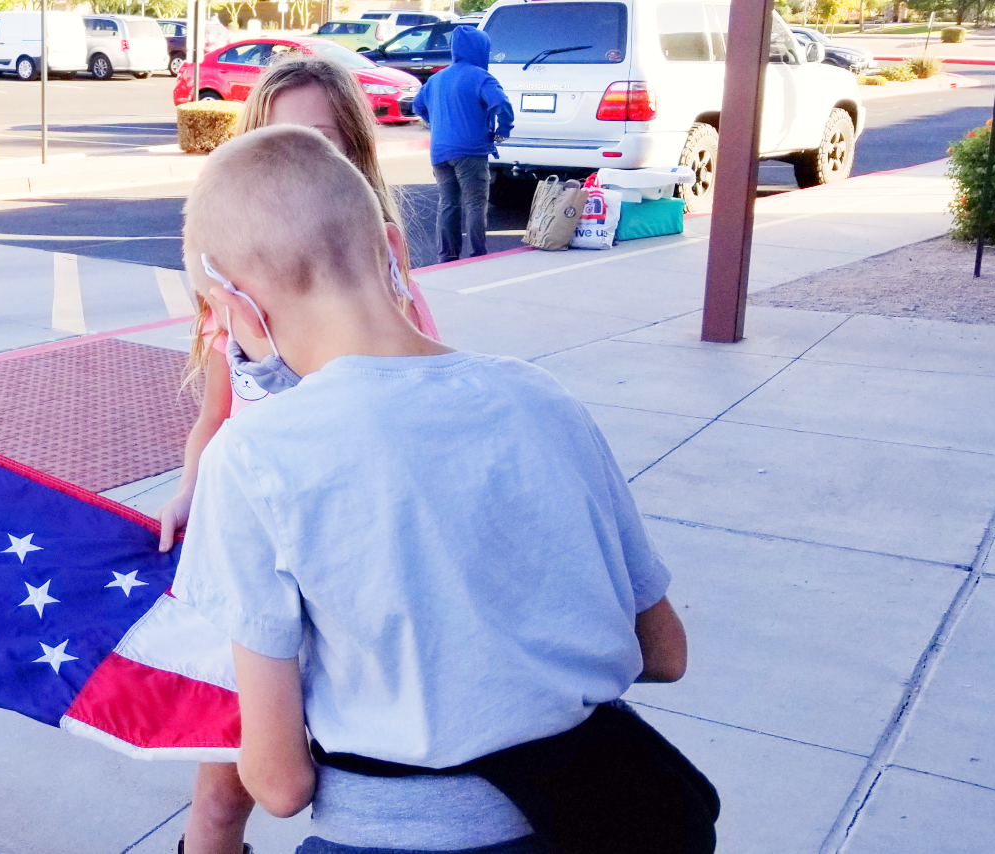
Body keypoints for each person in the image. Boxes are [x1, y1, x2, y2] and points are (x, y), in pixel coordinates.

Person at [172, 125, 689, 853]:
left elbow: (279, 784)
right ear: (394, 248)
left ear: (238, 308)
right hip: (595, 820)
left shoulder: (255, 457)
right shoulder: (543, 398)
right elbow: (663, 649)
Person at [158, 54, 442, 854]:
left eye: (317, 141)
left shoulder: (391, 293)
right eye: (276, 142)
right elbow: (214, 418)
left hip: (348, 567)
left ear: (354, 154)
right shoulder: (231, 302)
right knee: (221, 798)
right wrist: (188, 489)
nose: (295, 164)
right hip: (254, 572)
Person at [411, 26, 514, 262]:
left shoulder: (436, 79)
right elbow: (501, 103)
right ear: (480, 50)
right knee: (475, 203)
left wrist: (435, 123)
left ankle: (447, 256)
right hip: (472, 151)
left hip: (439, 152)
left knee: (448, 203)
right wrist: (503, 131)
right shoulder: (481, 77)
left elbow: (417, 105)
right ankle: (478, 254)